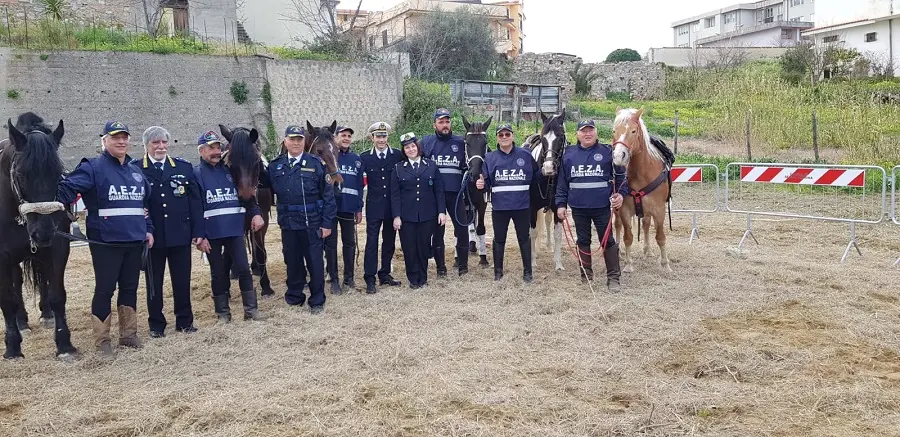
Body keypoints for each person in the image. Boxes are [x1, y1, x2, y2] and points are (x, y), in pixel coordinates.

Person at [57, 121, 154, 356]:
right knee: (105, 290)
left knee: (130, 288)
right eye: (115, 137)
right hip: (106, 243)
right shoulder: (92, 168)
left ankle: (129, 335)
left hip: (134, 241)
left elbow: (144, 205)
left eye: (124, 137)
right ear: (104, 141)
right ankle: (103, 343)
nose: (121, 141)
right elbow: (64, 191)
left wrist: (148, 228)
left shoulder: (135, 170)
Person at [134, 126, 203, 338]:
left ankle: (184, 321)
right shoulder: (136, 169)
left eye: (164, 142)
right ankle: (156, 325)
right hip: (153, 238)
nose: (161, 147)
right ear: (146, 146)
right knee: (154, 285)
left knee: (182, 281)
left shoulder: (183, 167)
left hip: (180, 234)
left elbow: (195, 201)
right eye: (156, 143)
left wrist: (198, 230)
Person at [193, 130, 266, 321]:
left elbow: (247, 198)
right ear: (201, 151)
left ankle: (251, 311)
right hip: (212, 233)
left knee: (243, 268)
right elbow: (193, 208)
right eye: (211, 148)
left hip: (234, 231)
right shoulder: (196, 174)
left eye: (218, 147)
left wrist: (256, 213)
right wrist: (200, 235)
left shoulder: (230, 172)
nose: (216, 152)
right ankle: (223, 313)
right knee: (218, 273)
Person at [268, 125, 337, 314]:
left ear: (304, 142)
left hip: (312, 222)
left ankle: (317, 300)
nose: (296, 143)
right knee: (292, 261)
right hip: (288, 223)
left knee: (314, 262)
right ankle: (294, 296)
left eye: (299, 139)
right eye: (292, 139)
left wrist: (326, 223)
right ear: (285, 141)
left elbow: (328, 197)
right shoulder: (275, 166)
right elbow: (264, 190)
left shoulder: (316, 164)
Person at [554, 120, 629, 292]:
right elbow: (562, 184)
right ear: (577, 134)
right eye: (583, 131)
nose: (587, 134)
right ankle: (586, 275)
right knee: (583, 240)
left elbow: (622, 179)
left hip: (602, 207)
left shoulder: (608, 152)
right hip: (579, 208)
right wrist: (560, 204)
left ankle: (613, 278)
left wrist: (620, 195)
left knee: (608, 242)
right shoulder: (568, 154)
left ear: (596, 132)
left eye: (590, 130)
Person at [476, 124, 538, 283]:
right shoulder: (490, 158)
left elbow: (536, 177)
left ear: (513, 136)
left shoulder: (525, 155)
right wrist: (481, 185)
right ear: (497, 137)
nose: (504, 137)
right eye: (501, 135)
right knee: (499, 239)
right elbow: (486, 181)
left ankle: (528, 273)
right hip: (500, 207)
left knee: (524, 239)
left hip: (522, 206)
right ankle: (498, 273)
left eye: (507, 134)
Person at [391, 132, 447, 289]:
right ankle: (413, 279)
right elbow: (394, 195)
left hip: (427, 215)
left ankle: (423, 277)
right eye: (407, 147)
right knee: (409, 248)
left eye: (413, 146)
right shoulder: (398, 169)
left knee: (423, 247)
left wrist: (441, 211)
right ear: (404, 151)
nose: (410, 149)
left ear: (418, 147)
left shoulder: (431, 165)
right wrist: (396, 216)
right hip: (406, 216)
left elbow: (439, 191)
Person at [422, 108, 469, 276]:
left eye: (447, 121)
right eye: (441, 122)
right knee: (437, 232)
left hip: (456, 195)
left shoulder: (461, 142)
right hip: (434, 197)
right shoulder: (426, 142)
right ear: (434, 124)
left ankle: (463, 266)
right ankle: (441, 268)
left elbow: (470, 164)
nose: (444, 125)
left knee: (462, 229)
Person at [359, 122, 403, 293]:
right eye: (378, 136)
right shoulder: (364, 157)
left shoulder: (397, 155)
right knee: (371, 243)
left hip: (391, 208)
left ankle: (384, 274)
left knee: (389, 242)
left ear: (387, 137)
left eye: (384, 136)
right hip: (374, 207)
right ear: (372, 138)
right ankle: (369, 278)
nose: (381, 140)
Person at [325, 125, 363, 294]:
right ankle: (333, 279)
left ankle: (349, 278)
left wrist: (359, 208)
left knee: (349, 243)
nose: (346, 138)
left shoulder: (356, 159)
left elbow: (360, 186)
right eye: (343, 135)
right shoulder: (329, 156)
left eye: (349, 135)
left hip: (348, 207)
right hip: (331, 208)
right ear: (335, 137)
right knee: (331, 244)